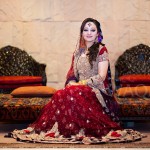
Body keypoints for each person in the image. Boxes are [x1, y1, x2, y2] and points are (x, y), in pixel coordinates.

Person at [7, 18, 143, 144]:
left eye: (92, 30)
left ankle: (77, 129)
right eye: (86, 30)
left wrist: (81, 84)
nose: (89, 33)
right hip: (78, 89)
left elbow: (101, 77)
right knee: (61, 94)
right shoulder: (78, 52)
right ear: (82, 32)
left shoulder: (102, 50)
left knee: (73, 93)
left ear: (98, 33)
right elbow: (72, 74)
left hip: (96, 90)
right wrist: (71, 82)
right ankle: (65, 130)